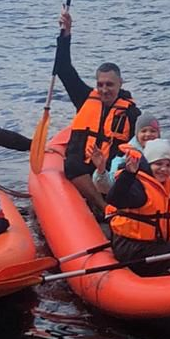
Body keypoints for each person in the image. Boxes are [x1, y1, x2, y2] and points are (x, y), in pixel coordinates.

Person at [54, 11, 140, 213]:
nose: (104, 90)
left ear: (120, 83)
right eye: (100, 84)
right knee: (72, 165)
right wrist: (65, 34)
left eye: (109, 85)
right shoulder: (85, 98)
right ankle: (102, 207)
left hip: (111, 169)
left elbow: (143, 143)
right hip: (85, 167)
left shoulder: (132, 113)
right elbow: (63, 68)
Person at [104, 138, 170, 277]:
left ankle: (165, 276)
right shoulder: (138, 185)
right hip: (131, 247)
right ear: (148, 165)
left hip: (148, 243)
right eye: (158, 164)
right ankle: (169, 282)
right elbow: (115, 198)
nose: (164, 169)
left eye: (168, 165)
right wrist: (128, 174)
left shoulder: (163, 183)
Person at [95, 113, 170, 207]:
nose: (148, 134)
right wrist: (101, 171)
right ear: (137, 134)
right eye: (144, 131)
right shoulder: (124, 157)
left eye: (153, 131)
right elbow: (109, 187)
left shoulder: (166, 156)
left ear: (158, 134)